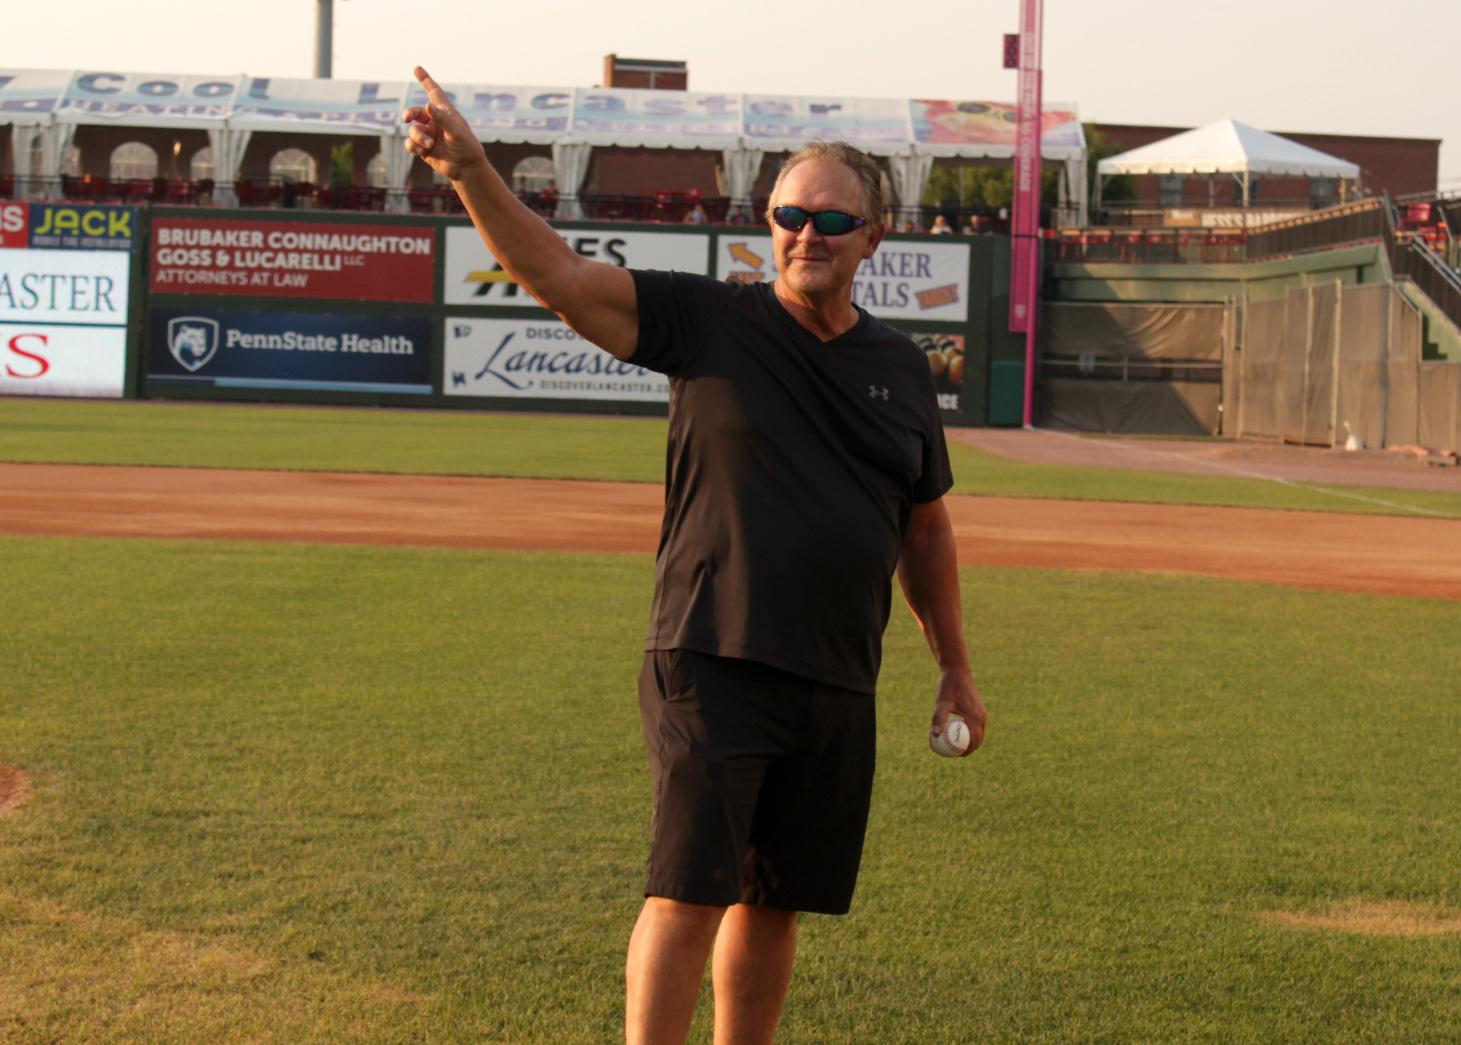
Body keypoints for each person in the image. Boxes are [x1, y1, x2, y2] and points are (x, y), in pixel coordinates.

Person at [403, 65, 987, 1045]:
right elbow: (562, 279)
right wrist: (471, 171)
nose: (808, 233)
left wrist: (956, 668)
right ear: (769, 221)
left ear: (874, 239)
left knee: (775, 899)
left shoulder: (898, 368)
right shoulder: (713, 319)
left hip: (839, 675)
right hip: (714, 655)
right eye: (791, 214)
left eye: (833, 221)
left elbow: (924, 526)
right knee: (689, 891)